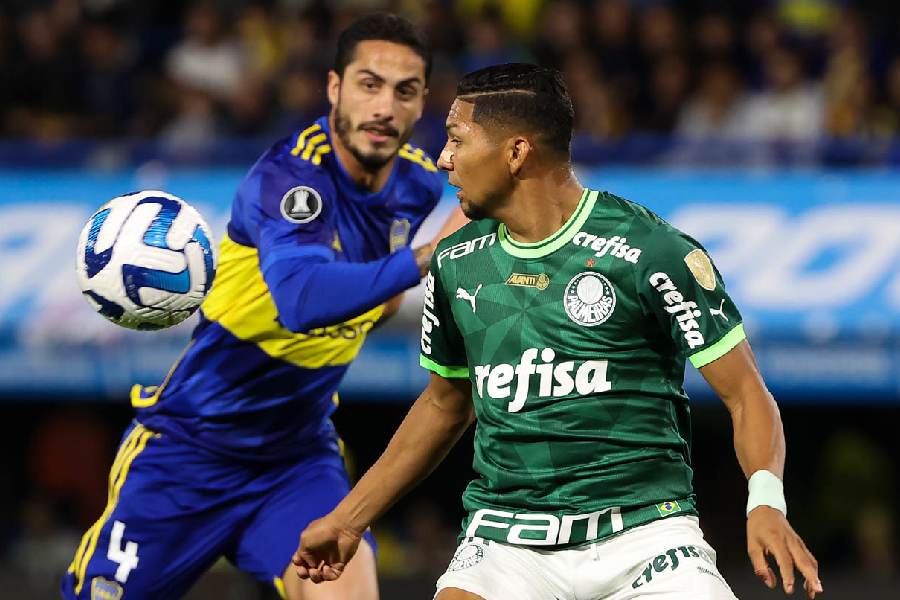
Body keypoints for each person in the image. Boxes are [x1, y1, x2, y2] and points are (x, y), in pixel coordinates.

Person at [293, 63, 824, 600]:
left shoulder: (652, 252)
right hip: (504, 546)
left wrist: (765, 503)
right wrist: (347, 520)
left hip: (646, 537)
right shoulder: (457, 260)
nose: (443, 159)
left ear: (516, 152)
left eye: (456, 140)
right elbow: (443, 406)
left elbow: (746, 393)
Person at [63, 13, 465, 600]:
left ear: (422, 101)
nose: (384, 106)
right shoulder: (288, 178)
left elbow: (378, 306)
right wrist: (430, 256)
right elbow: (300, 302)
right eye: (369, 84)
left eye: (404, 91)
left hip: (297, 462)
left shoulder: (418, 186)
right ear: (334, 88)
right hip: (189, 451)